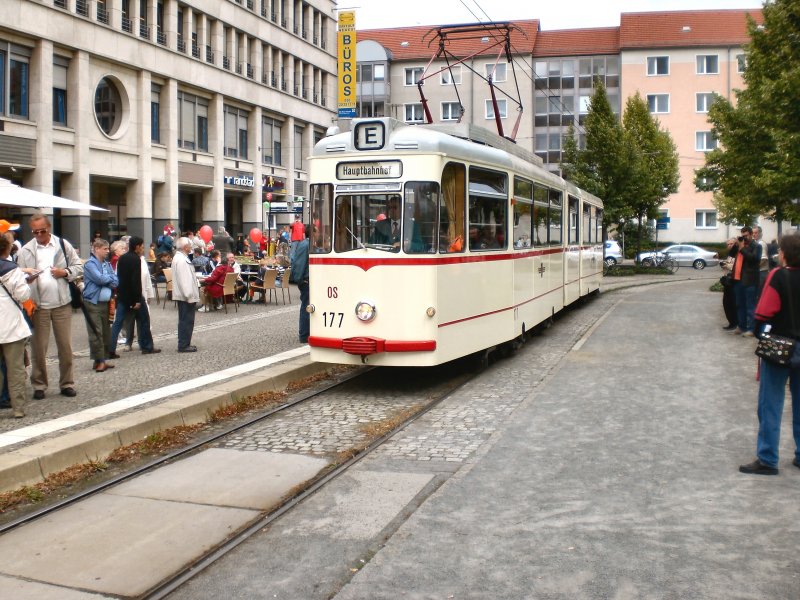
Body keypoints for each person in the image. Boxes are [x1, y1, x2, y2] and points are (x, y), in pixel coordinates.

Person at [739, 233, 800, 475]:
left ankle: (768, 458)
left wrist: (757, 333)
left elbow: (763, 313)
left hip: (780, 345)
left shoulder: (779, 276)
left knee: (770, 404)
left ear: (784, 254)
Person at [16, 212, 84, 399]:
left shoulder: (62, 245)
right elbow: (18, 276)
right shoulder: (26, 250)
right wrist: (27, 279)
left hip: (62, 303)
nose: (38, 235)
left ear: (49, 228)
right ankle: (39, 385)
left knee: (65, 347)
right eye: (35, 232)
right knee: (39, 348)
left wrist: (64, 272)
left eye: (42, 231)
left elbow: (79, 266)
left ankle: (67, 383)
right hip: (38, 306)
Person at [109, 237, 161, 356]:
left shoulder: (122, 258)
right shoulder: (136, 259)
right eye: (142, 246)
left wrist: (121, 294)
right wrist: (137, 300)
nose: (143, 249)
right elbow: (135, 281)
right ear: (137, 246)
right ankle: (147, 346)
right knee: (144, 320)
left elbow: (119, 278)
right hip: (134, 296)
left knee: (118, 322)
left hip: (123, 295)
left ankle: (110, 349)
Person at [0, 234, 33, 417]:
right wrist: (27, 283)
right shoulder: (12, 270)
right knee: (15, 369)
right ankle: (18, 407)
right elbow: (23, 295)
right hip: (11, 325)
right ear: (6, 249)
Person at [82, 238, 118, 372]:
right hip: (93, 302)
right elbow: (99, 279)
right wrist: (108, 280)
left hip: (105, 302)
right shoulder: (90, 264)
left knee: (105, 331)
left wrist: (107, 280)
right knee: (96, 332)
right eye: (105, 249)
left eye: (108, 249)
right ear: (96, 249)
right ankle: (100, 361)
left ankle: (101, 359)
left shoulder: (107, 264)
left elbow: (116, 280)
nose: (108, 251)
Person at [731, 226, 761, 337]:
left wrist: (742, 248)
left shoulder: (756, 246)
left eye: (746, 235)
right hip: (738, 279)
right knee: (740, 304)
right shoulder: (740, 245)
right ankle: (741, 326)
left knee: (750, 305)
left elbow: (754, 259)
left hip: (750, 281)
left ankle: (752, 329)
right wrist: (736, 244)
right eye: (742, 235)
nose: (744, 237)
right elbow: (730, 254)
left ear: (751, 234)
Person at [171, 237, 199, 352]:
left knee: (185, 320)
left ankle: (185, 343)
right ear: (185, 247)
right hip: (186, 297)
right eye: (190, 245)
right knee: (186, 321)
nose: (191, 247)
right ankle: (183, 344)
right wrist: (189, 295)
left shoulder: (180, 258)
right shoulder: (181, 260)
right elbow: (184, 280)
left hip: (184, 296)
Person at [290, 224, 311, 344]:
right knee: (306, 307)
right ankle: (304, 335)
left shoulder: (306, 244)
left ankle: (306, 333)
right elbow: (299, 264)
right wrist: (300, 280)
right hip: (306, 281)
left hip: (306, 280)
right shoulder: (305, 245)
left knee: (307, 307)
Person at [720, 238, 738, 331]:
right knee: (726, 302)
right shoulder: (730, 254)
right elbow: (729, 264)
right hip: (728, 279)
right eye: (728, 244)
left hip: (734, 281)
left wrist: (727, 265)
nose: (730, 246)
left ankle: (734, 323)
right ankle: (731, 322)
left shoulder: (738, 253)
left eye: (732, 244)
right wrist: (724, 264)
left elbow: (736, 266)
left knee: (732, 302)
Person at [754, 225, 769, 295]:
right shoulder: (756, 243)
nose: (754, 234)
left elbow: (764, 259)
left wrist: (754, 267)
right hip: (759, 272)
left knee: (759, 294)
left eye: (756, 233)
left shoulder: (761, 244)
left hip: (761, 272)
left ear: (760, 233)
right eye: (753, 233)